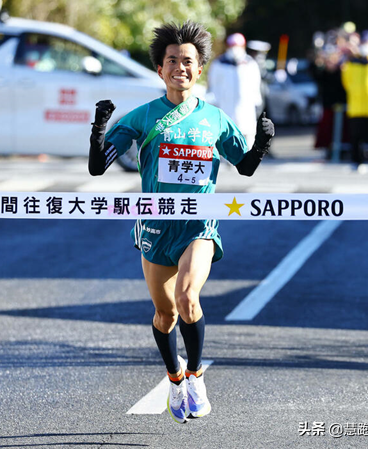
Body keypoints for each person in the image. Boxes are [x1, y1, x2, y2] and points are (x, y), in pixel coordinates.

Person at [88, 22, 274, 424]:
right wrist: (98, 132)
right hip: (155, 228)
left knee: (189, 299)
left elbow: (244, 167)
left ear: (200, 68)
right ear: (160, 70)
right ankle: (174, 378)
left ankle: (195, 375)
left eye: (188, 61)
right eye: (171, 61)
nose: (180, 68)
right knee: (165, 314)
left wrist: (260, 142)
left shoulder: (214, 119)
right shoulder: (143, 116)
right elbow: (98, 167)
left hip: (199, 226)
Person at [207, 33, 263, 148]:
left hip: (246, 107)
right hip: (224, 105)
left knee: (247, 134)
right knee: (225, 134)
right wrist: (213, 101)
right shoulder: (219, 64)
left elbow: (255, 85)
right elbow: (213, 84)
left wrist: (257, 101)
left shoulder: (250, 63)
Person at [341, 30, 368, 172]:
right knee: (356, 136)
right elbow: (346, 82)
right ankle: (356, 161)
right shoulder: (351, 63)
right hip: (357, 106)